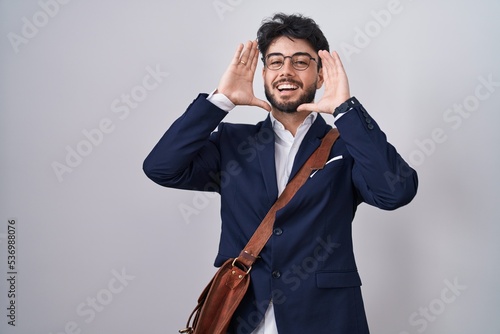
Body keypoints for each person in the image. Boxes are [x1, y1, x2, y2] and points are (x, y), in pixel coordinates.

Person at [143, 13, 418, 334]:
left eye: (301, 62)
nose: (286, 70)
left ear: (320, 75)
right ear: (263, 73)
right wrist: (220, 101)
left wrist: (346, 110)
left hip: (326, 318)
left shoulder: (347, 147)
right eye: (275, 62)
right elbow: (161, 167)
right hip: (241, 313)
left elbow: (396, 192)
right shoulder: (232, 142)